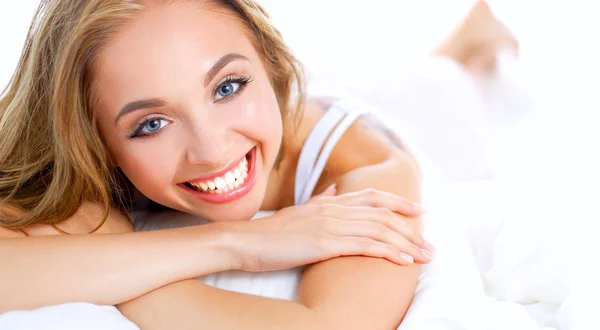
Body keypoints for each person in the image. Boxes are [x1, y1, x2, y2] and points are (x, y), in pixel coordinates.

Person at [0, 0, 515, 329]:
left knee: (441, 85)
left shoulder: (365, 164)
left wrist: (116, 272)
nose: (210, 149)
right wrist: (240, 244)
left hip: (402, 117)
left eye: (228, 87)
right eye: (152, 123)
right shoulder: (84, 162)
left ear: (267, 64)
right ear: (94, 139)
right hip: (274, 106)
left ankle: (468, 42)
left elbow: (333, 328)